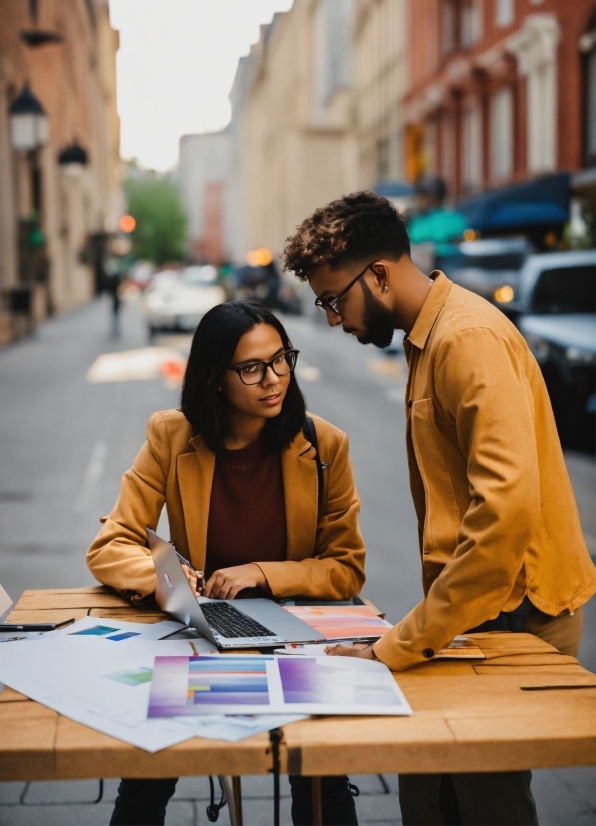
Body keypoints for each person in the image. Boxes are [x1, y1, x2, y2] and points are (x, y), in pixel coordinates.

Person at [282, 191, 596, 826]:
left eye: (333, 300)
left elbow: (502, 516)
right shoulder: (431, 336)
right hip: (478, 608)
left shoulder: (466, 340)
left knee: (484, 803)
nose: (333, 320)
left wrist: (404, 642)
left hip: (515, 610)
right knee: (429, 789)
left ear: (378, 274)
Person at [87, 299, 364, 826]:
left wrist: (263, 572)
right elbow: (110, 544)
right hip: (204, 635)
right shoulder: (171, 437)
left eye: (282, 359)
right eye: (252, 368)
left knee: (324, 778)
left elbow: (345, 568)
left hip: (298, 637)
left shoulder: (323, 445)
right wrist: (172, 580)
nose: (273, 379)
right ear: (215, 378)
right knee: (148, 767)